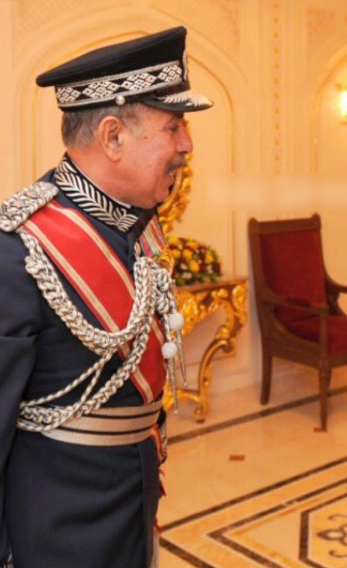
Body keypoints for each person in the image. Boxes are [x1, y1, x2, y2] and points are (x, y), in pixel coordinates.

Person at [0, 27, 213, 568]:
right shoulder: (20, 247)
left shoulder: (140, 225)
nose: (186, 144)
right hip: (54, 525)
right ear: (114, 137)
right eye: (174, 126)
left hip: (135, 494)